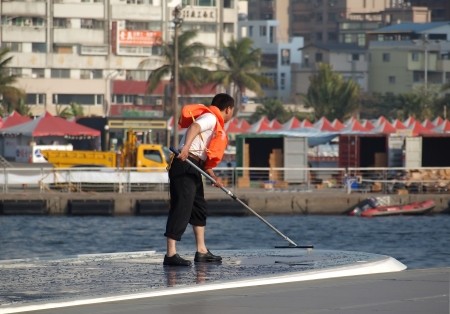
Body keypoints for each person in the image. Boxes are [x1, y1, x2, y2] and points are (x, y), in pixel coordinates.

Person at [164, 93, 235, 266]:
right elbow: (194, 127)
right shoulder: (210, 117)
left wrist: (213, 177)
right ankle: (170, 254)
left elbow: (204, 156)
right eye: (233, 110)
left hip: (195, 165)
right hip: (184, 162)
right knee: (182, 206)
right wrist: (186, 147)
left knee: (199, 207)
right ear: (228, 109)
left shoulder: (215, 123)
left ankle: (201, 250)